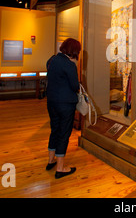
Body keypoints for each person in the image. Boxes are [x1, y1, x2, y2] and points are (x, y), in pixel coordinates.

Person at [46, 38, 81, 179]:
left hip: (52, 102)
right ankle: (60, 168)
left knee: (54, 130)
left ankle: (50, 161)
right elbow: (75, 86)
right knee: (64, 133)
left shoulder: (52, 60)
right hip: (66, 103)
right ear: (74, 51)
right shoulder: (69, 65)